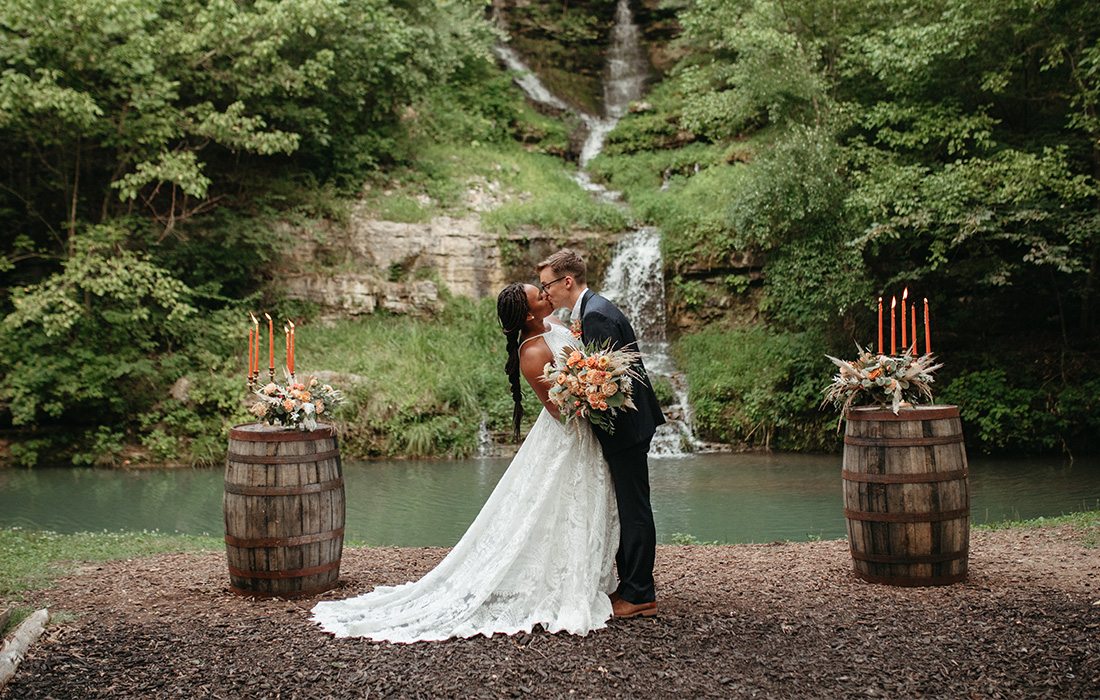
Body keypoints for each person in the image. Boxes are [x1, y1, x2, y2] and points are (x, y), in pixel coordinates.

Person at [311, 283, 619, 642]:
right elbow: (556, 410)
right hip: (567, 437)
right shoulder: (533, 352)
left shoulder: (555, 327)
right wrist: (590, 394)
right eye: (540, 297)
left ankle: (582, 573)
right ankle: (561, 583)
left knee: (573, 508)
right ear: (529, 314)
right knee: (560, 507)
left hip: (585, 436)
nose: (548, 296)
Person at [536, 248, 665, 619]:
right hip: (625, 428)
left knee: (634, 510)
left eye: (547, 287)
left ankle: (640, 593)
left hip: (626, 430)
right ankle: (631, 585)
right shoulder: (591, 311)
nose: (545, 295)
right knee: (628, 507)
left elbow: (610, 382)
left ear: (567, 281)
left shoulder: (596, 316)